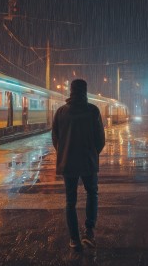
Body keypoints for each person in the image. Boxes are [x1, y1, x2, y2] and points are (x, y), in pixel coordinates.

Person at [52, 79, 105, 249]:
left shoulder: (61, 112)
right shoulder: (93, 111)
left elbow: (55, 139)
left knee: (70, 201)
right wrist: (92, 152)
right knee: (92, 194)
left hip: (68, 163)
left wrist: (65, 152)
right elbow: (100, 140)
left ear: (70, 91)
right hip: (88, 162)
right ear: (85, 91)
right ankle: (89, 232)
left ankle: (74, 239)